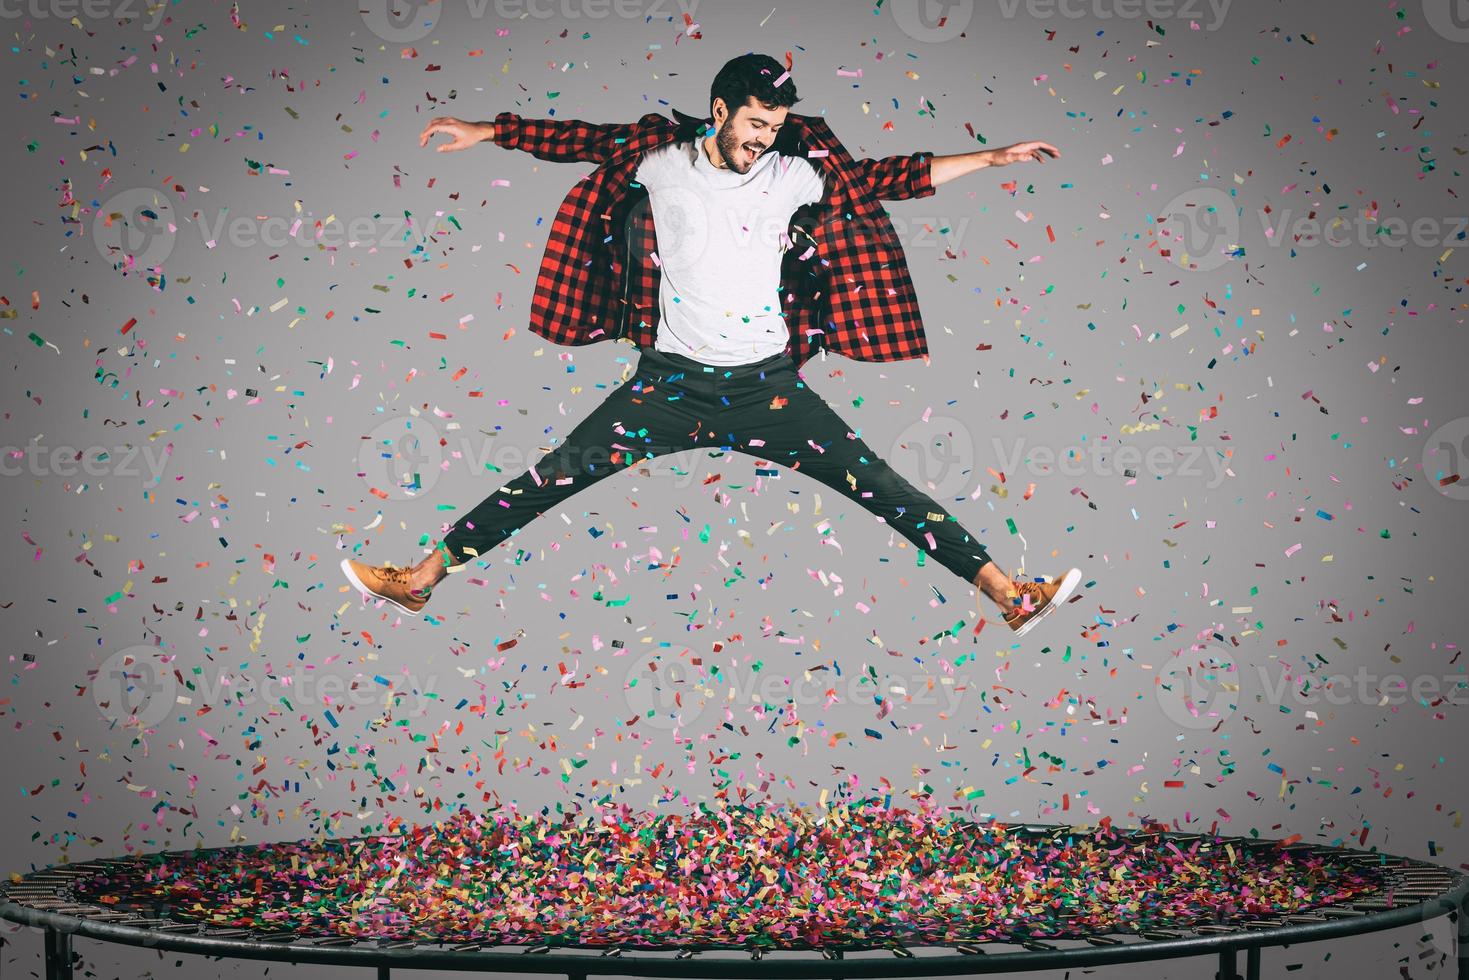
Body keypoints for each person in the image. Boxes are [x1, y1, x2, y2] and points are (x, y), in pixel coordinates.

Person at [341, 53, 1080, 637]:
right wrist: (486, 130)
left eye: (775, 125)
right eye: (755, 122)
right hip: (665, 388)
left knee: (886, 490)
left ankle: (1012, 595)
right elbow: (578, 141)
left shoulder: (794, 174)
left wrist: (989, 159)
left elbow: (885, 178)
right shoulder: (660, 160)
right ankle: (418, 580)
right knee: (549, 478)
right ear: (720, 110)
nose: (763, 138)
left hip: (768, 392)